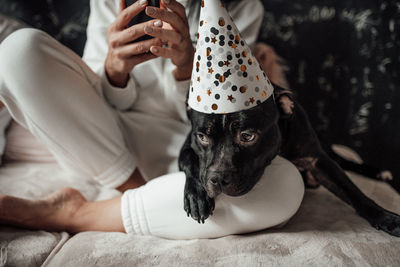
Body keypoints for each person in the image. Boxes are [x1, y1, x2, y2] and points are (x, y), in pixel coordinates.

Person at [0, 0, 304, 239]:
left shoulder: (243, 8)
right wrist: (114, 70)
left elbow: (222, 120)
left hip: (190, 153)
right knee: (17, 49)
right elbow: (88, 97)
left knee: (287, 186)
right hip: (101, 141)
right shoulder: (112, 2)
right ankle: (140, 195)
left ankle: (80, 213)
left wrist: (187, 64)